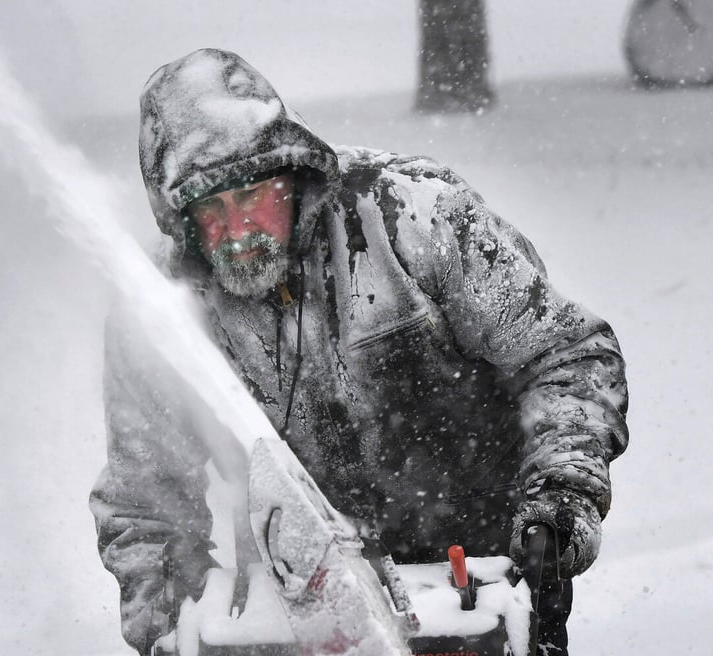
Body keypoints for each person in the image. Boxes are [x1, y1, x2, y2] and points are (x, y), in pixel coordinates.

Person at [89, 48, 629, 656]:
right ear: (179, 217)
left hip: (483, 578)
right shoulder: (162, 310)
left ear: (290, 172)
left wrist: (560, 498)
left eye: (252, 197)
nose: (237, 230)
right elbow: (145, 501)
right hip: (306, 610)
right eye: (211, 209)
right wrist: (170, 621)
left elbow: (567, 356)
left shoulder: (412, 218)